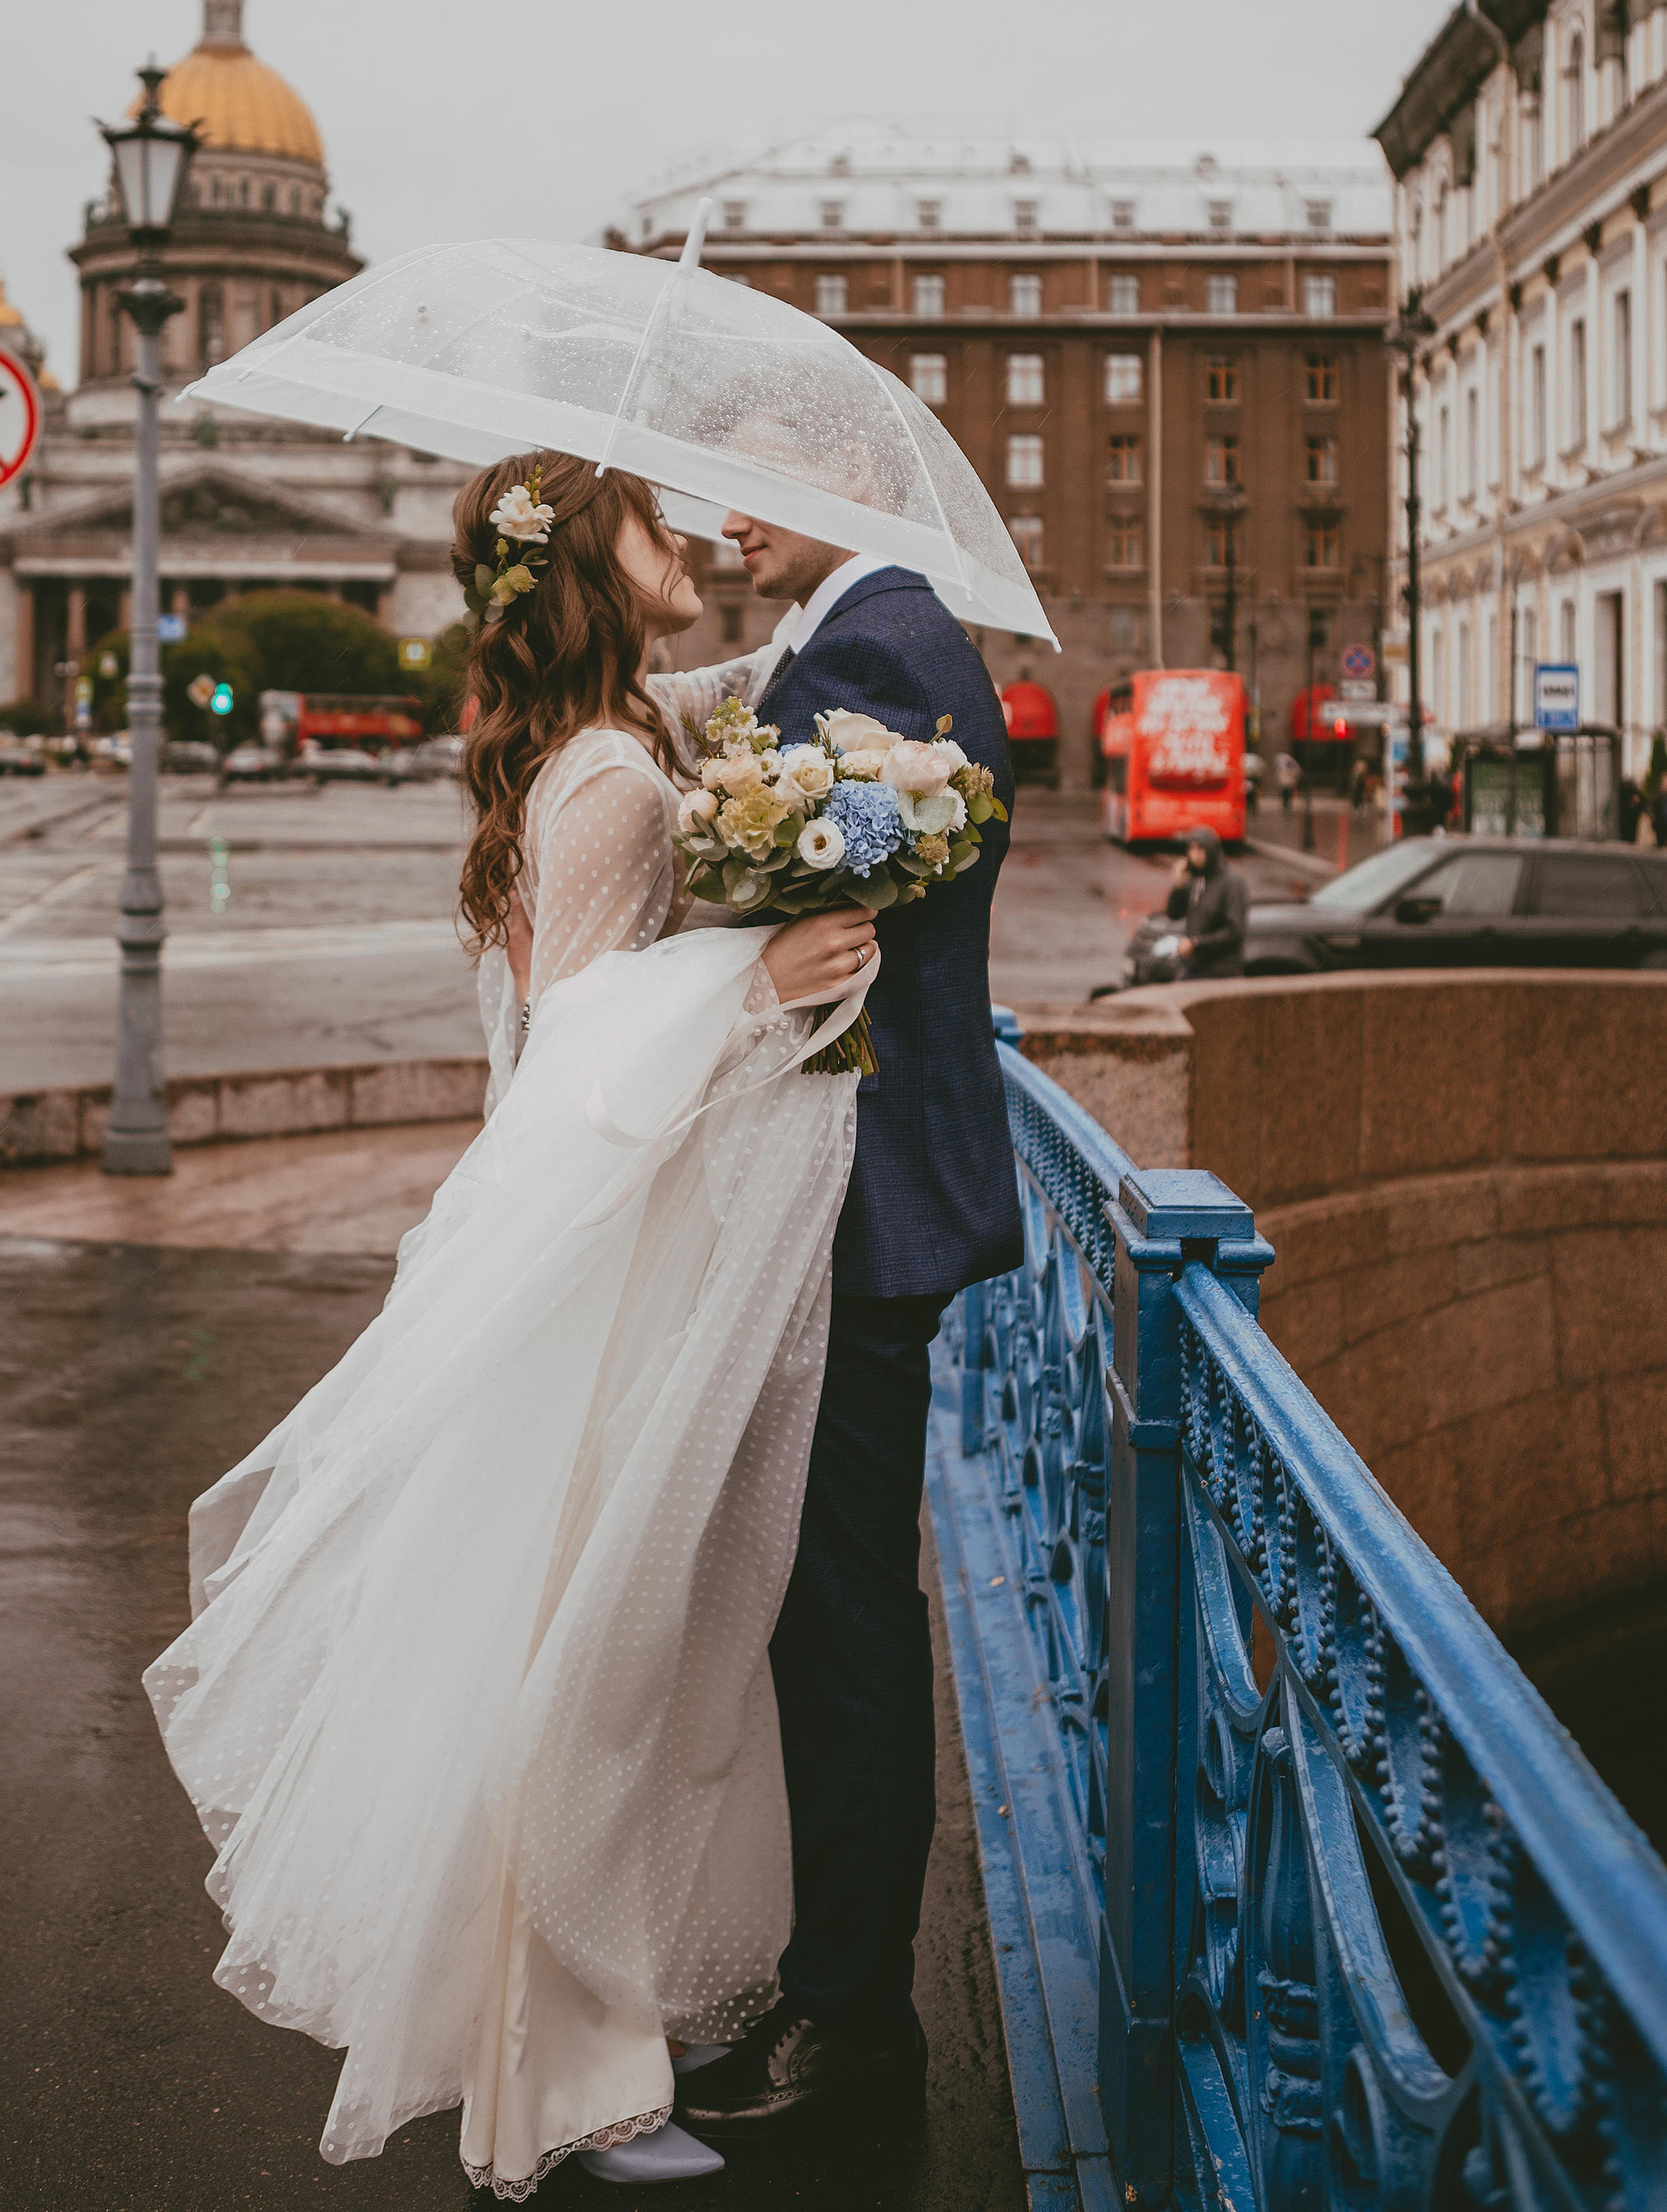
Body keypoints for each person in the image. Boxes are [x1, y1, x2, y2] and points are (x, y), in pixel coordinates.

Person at [146, 454, 881, 2195]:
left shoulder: (619, 732)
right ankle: (549, 2085)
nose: (687, 538)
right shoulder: (613, 778)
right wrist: (749, 978)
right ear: (594, 568)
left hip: (599, 1257)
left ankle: (584, 2029)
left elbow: (715, 704)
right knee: (582, 1665)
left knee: (589, 1653)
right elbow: (573, 1056)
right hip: (601, 1271)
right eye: (652, 523)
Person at [670, 514, 1019, 2140]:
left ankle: (854, 2024)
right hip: (851, 1201)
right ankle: (833, 1992)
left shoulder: (877, 637)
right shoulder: (844, 631)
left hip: (859, 1209)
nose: (719, 513)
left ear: (843, 476)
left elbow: (831, 928)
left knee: (845, 1625)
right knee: (830, 1612)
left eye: (749, 480)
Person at [1160, 826, 1248, 978]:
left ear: (1212, 850)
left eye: (1201, 849)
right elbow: (1173, 914)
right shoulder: (1194, 878)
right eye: (1192, 849)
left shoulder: (1232, 882)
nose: (1196, 855)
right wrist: (1178, 887)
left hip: (1221, 970)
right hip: (1193, 965)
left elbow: (1234, 931)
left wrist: (1197, 943)